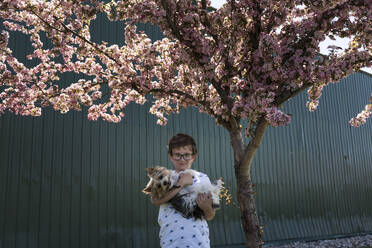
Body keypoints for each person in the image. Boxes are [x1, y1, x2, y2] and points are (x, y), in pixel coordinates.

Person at [151, 133, 215, 248]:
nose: (182, 159)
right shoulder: (163, 175)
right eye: (177, 155)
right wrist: (181, 184)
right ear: (170, 156)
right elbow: (156, 200)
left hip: (199, 242)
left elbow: (210, 215)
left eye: (186, 155)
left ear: (194, 156)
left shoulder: (203, 178)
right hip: (172, 241)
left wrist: (207, 208)